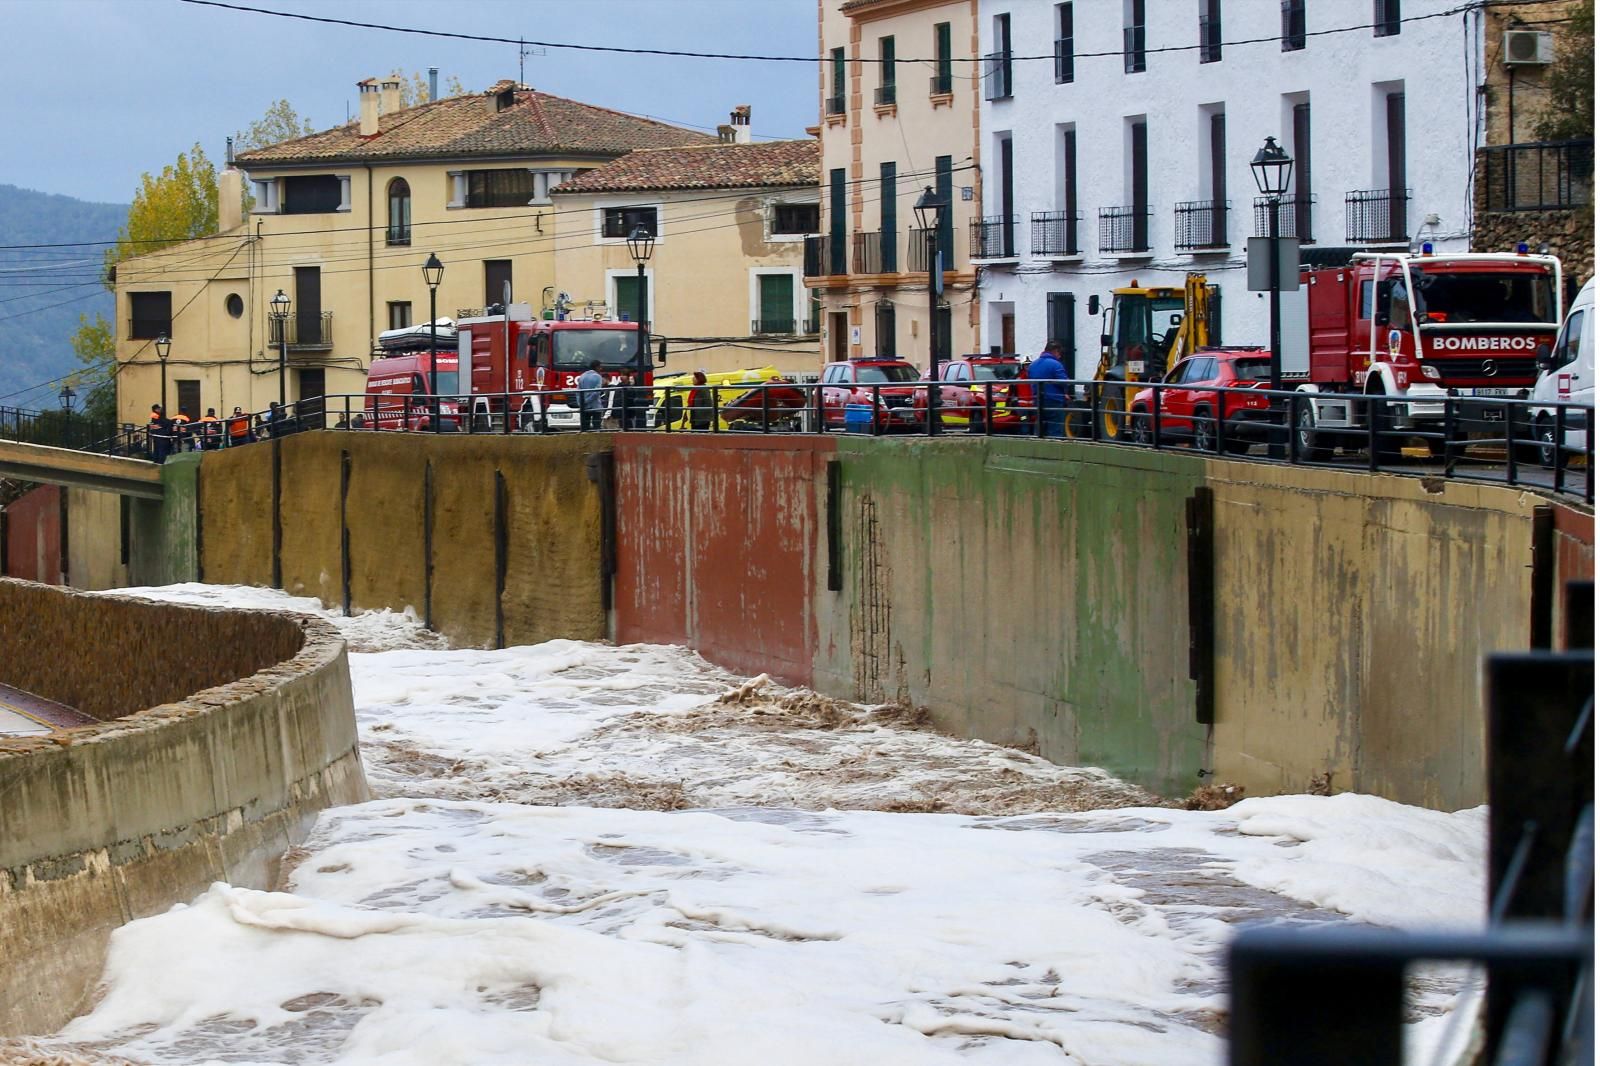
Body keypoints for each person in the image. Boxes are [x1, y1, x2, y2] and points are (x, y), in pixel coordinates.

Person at [1028, 341, 1070, 438]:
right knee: (1055, 430)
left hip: (1037, 400)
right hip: (1054, 401)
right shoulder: (1056, 364)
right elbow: (1064, 382)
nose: (1060, 356)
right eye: (1060, 353)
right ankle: (1054, 450)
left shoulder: (1033, 365)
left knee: (1040, 428)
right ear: (1055, 351)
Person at [577, 359, 605, 431]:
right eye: (600, 367)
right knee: (596, 426)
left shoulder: (582, 376)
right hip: (595, 406)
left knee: (585, 427)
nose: (601, 369)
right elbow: (597, 392)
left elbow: (577, 391)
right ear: (597, 367)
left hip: (584, 406)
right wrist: (588, 400)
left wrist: (581, 402)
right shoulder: (598, 377)